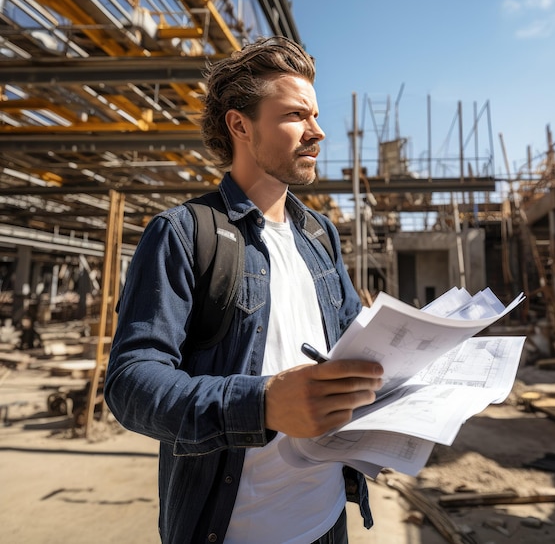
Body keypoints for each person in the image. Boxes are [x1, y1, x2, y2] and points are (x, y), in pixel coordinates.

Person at [104, 36, 384, 544]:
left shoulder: (320, 236)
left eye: (316, 116)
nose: (318, 132)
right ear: (240, 125)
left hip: (326, 521)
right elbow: (130, 385)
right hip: (234, 531)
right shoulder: (184, 233)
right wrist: (263, 405)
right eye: (297, 116)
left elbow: (351, 341)